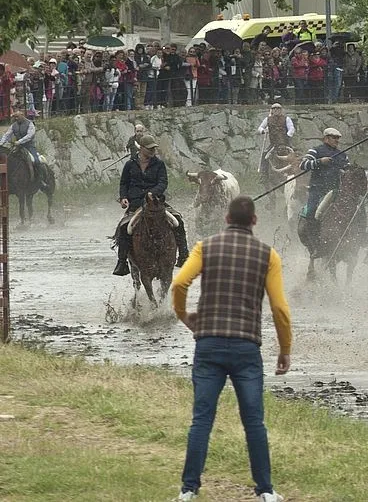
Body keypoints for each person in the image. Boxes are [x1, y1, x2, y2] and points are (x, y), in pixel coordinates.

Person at [171, 196, 291, 502]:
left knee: (202, 419)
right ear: (254, 221)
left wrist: (184, 316)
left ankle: (188, 490)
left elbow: (180, 283)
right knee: (254, 421)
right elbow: (279, 308)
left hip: (208, 343)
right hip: (246, 347)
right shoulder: (268, 255)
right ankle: (265, 491)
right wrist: (284, 349)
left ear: (226, 219)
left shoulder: (205, 247)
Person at [112, 134, 190, 275]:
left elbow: (163, 182)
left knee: (178, 221)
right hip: (136, 204)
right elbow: (124, 183)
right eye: (150, 148)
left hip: (156, 202)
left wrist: (152, 193)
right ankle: (122, 262)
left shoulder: (159, 164)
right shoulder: (130, 164)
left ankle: (183, 255)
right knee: (123, 228)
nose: (153, 151)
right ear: (141, 148)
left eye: (154, 148)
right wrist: (123, 197)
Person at [298, 127, 349, 219]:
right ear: (326, 138)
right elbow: (303, 165)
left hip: (336, 190)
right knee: (311, 210)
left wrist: (345, 172)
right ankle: (310, 227)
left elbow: (348, 170)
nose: (337, 140)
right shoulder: (315, 151)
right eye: (334, 137)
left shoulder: (343, 155)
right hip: (318, 189)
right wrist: (320, 161)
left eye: (338, 138)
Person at [0, 109, 49, 189]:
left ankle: (40, 180)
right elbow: (7, 135)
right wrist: (1, 143)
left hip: (29, 147)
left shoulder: (30, 124)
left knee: (36, 160)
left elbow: (30, 136)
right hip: (18, 147)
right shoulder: (13, 125)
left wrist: (19, 141)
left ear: (22, 116)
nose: (16, 118)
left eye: (17, 116)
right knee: (9, 159)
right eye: (15, 117)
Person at [257, 103, 296, 179]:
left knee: (295, 154)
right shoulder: (267, 119)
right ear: (272, 110)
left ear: (281, 110)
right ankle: (264, 175)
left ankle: (295, 172)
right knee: (265, 156)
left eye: (278, 108)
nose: (276, 110)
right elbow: (260, 128)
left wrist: (287, 136)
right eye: (274, 108)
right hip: (274, 144)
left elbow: (291, 128)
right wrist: (263, 131)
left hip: (286, 143)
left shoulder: (286, 119)